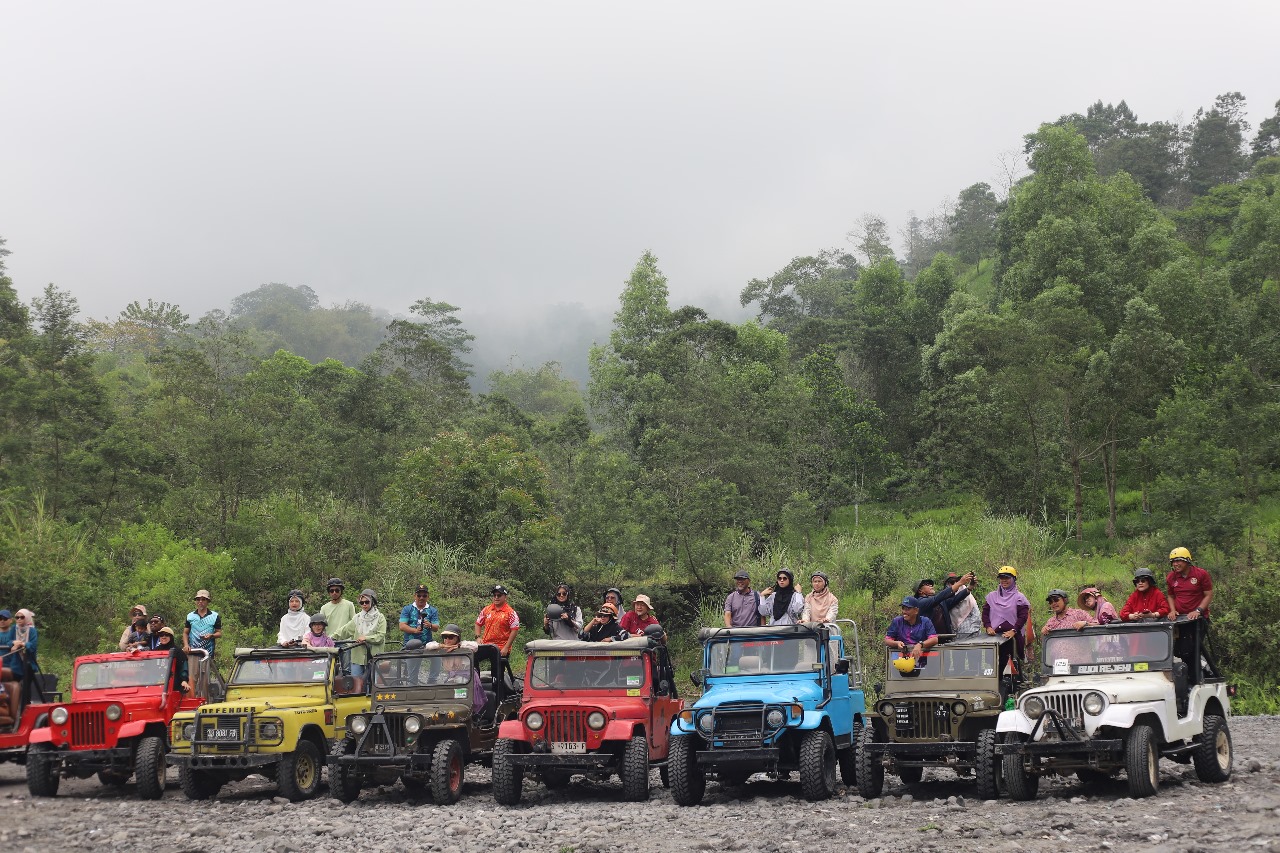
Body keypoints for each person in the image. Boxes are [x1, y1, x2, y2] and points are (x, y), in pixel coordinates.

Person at [982, 567, 1029, 681]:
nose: (1004, 580)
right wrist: (988, 626)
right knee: (994, 666)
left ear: (1013, 579)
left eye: (1007, 578)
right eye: (1002, 577)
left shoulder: (1019, 597)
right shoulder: (992, 596)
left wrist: (1014, 630)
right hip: (995, 637)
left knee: (1012, 666)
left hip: (1012, 637)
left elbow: (1023, 616)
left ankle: (1014, 686)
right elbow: (985, 613)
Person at [331, 589, 386, 676]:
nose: (364, 604)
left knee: (374, 682)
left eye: (367, 602)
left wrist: (366, 638)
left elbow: (380, 636)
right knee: (356, 681)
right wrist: (331, 638)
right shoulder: (357, 618)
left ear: (372, 602)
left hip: (375, 657)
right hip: (357, 657)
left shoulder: (380, 618)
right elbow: (345, 630)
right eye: (361, 602)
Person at [184, 590, 222, 700]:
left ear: (207, 601)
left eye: (203, 599)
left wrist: (211, 635)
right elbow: (185, 632)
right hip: (193, 652)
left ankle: (205, 703)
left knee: (205, 681)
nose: (200, 601)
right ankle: (191, 704)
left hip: (207, 653)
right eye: (198, 599)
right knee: (191, 679)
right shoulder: (190, 616)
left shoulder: (214, 616)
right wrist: (186, 645)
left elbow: (219, 633)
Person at [914, 573, 976, 637]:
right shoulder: (920, 602)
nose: (931, 586)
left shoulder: (940, 602)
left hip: (945, 637)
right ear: (920, 591)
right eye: (927, 584)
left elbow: (954, 600)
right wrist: (960, 583)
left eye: (931, 584)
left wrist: (969, 588)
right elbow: (937, 598)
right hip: (930, 639)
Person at [1166, 547, 1213, 622]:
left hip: (1199, 618)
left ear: (1187, 560)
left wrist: (1198, 611)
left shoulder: (1201, 574)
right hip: (1180, 618)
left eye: (1178, 561)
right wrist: (1173, 610)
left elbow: (1208, 595)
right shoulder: (1171, 576)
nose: (1175, 564)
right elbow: (1170, 596)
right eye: (1173, 562)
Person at [475, 585, 520, 659]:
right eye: (494, 595)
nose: (496, 597)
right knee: (472, 658)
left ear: (505, 597)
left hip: (501, 647)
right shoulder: (486, 609)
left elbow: (514, 630)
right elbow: (478, 623)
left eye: (499, 595)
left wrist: (506, 647)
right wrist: (478, 637)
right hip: (486, 645)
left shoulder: (510, 612)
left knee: (497, 666)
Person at [943, 572, 983, 640]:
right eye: (952, 582)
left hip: (972, 634)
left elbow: (976, 616)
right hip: (956, 636)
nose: (955, 583)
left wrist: (972, 631)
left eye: (957, 581)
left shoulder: (968, 596)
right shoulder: (945, 599)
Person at [154, 627, 190, 694]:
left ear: (171, 637)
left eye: (166, 635)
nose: (163, 637)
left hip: (174, 684)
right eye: (161, 635)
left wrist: (184, 680)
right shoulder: (155, 650)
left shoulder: (178, 651)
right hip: (156, 684)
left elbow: (183, 668)